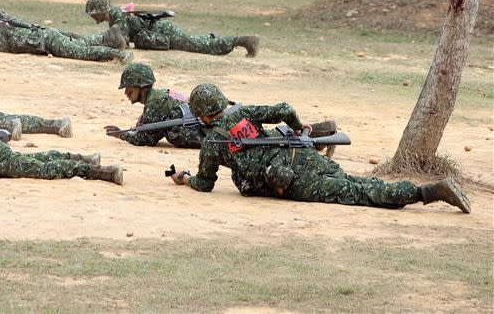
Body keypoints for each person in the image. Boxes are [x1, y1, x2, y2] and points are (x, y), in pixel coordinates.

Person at [168, 83, 471, 214]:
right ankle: (421, 191)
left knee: (355, 192)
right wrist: (300, 129)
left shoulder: (210, 144)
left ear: (201, 113)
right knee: (354, 181)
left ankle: (426, 193)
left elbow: (205, 183)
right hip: (297, 152)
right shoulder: (242, 113)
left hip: (285, 178)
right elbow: (284, 108)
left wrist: (185, 179)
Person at [84, 0, 260, 57]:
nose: (93, 17)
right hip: (161, 31)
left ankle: (243, 40)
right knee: (195, 42)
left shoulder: (116, 14)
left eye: (93, 14)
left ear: (100, 10)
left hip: (163, 32)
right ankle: (224, 39)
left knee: (200, 46)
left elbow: (121, 42)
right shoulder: (116, 15)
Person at [0, 12, 132, 63]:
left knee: (79, 52)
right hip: (44, 37)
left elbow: (2, 47)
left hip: (45, 40)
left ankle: (117, 54)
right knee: (79, 43)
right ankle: (108, 36)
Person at [104, 63, 203, 148]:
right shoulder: (160, 94)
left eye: (129, 88)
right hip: (201, 127)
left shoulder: (155, 103)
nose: (126, 93)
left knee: (172, 133)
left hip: (201, 133)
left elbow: (146, 139)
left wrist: (122, 135)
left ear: (142, 87)